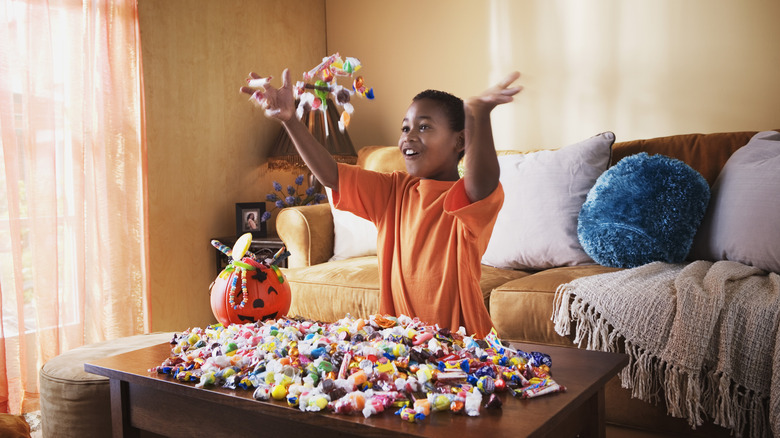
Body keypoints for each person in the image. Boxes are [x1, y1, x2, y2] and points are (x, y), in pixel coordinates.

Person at [241, 69, 522, 337]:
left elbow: (482, 181)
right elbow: (332, 175)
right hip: (400, 346)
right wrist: (290, 120)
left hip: (464, 348)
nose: (409, 136)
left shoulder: (466, 197)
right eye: (405, 128)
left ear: (460, 141)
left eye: (424, 127)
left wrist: (477, 116)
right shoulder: (393, 191)